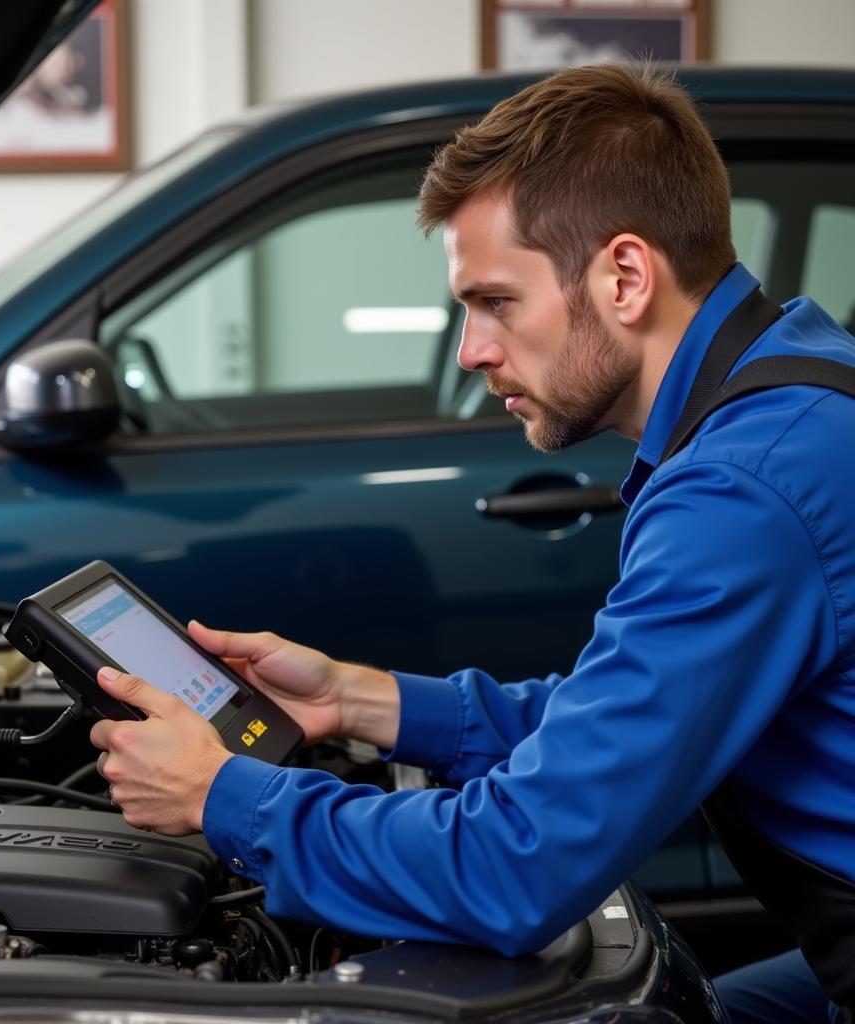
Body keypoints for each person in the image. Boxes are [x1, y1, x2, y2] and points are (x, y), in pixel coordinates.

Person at [90, 64, 855, 1024]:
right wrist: (359, 700)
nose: (472, 351)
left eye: (496, 301)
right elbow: (618, 725)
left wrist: (223, 797)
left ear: (624, 276)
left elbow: (516, 868)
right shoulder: (800, 384)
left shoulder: (745, 491)